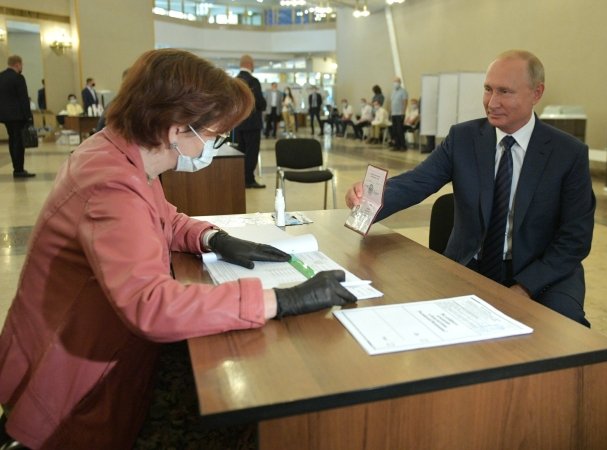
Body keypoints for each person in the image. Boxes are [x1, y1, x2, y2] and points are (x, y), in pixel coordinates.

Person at [0, 49, 357, 450]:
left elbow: (163, 219)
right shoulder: (110, 183)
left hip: (98, 350)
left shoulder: (122, 153)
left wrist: (213, 237)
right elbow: (150, 304)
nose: (214, 146)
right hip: (76, 383)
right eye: (213, 136)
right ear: (176, 129)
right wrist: (281, 299)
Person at [345, 50, 595, 327]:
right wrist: (368, 198)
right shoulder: (463, 138)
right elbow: (417, 182)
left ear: (536, 93)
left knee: (567, 334)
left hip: (543, 271)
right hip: (472, 264)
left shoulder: (567, 154)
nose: (492, 102)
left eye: (505, 92)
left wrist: (524, 288)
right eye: (488, 89)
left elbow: (576, 238)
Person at [235, 54, 267, 188]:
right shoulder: (253, 81)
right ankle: (249, 179)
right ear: (249, 64)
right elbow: (260, 103)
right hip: (252, 124)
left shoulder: (234, 81)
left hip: (238, 123)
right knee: (252, 152)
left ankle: (239, 178)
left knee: (240, 152)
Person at [0, 55, 35, 178]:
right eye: (22, 65)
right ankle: (19, 169)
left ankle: (16, 167)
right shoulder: (18, 78)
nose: (22, 67)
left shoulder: (1, 76)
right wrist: (29, 117)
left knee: (12, 140)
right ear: (17, 64)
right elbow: (23, 99)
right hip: (18, 116)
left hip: (5, 116)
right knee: (18, 142)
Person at [389, 77, 408, 151]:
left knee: (400, 130)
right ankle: (396, 145)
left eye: (396, 82)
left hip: (400, 113)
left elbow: (405, 102)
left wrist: (403, 112)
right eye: (394, 82)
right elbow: (392, 102)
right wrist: (390, 111)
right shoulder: (393, 92)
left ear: (400, 83)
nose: (395, 83)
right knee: (395, 130)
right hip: (394, 113)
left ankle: (403, 145)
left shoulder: (403, 91)